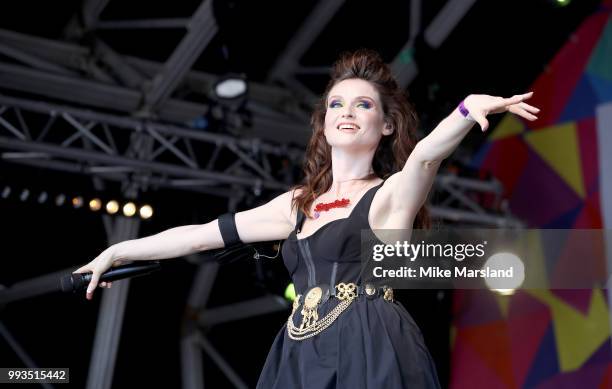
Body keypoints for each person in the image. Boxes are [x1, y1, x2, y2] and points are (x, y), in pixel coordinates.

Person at [74, 49, 539, 388]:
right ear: (324, 123)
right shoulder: (297, 204)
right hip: (299, 350)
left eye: (364, 104)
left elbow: (423, 159)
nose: (347, 112)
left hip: (372, 343)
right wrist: (117, 250)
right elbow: (199, 237)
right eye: (337, 104)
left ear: (387, 125)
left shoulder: (389, 196)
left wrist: (465, 111)